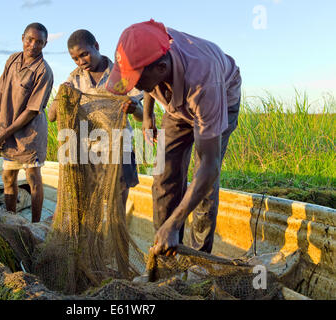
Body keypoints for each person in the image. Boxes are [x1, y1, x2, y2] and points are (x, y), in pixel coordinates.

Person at [106, 20, 242, 256]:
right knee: (163, 174)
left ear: (160, 69)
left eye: (134, 80)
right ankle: (166, 250)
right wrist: (147, 115)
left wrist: (175, 222)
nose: (131, 87)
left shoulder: (204, 80)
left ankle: (198, 257)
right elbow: (149, 82)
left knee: (205, 186)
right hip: (175, 106)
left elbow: (210, 168)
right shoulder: (151, 42)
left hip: (218, 101)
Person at [48, 29, 143, 210]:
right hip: (89, 151)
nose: (81, 62)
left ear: (96, 47)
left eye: (85, 54)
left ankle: (115, 237)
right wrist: (62, 94)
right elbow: (52, 117)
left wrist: (134, 107)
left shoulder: (121, 74)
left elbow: (141, 116)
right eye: (75, 58)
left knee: (117, 207)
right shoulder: (75, 78)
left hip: (120, 148)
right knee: (90, 206)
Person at [0, 22, 54, 223]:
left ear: (45, 44)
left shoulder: (44, 71)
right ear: (22, 38)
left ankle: (35, 226)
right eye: (30, 40)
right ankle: (11, 221)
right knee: (8, 178)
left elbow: (31, 111)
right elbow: (2, 93)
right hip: (7, 131)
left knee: (33, 179)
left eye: (39, 42)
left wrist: (2, 134)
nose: (33, 45)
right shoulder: (12, 60)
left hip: (29, 135)